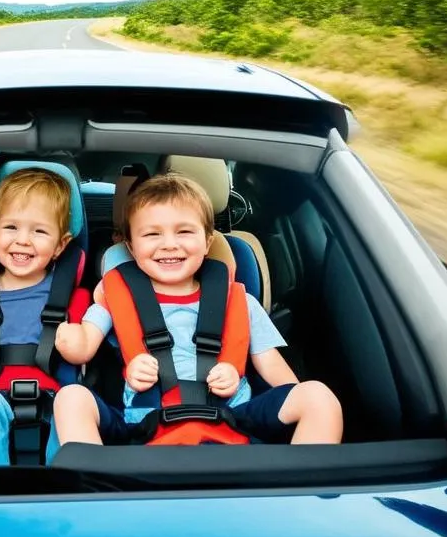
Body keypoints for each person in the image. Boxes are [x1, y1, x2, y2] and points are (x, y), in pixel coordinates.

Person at [52, 172, 343, 449]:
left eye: (184, 232)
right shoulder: (115, 298)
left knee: (318, 396)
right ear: (131, 245)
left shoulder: (239, 301)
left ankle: (303, 494)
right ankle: (90, 490)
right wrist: (66, 335)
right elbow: (81, 350)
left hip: (235, 418)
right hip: (144, 423)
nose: (169, 245)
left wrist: (282, 396)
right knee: (70, 398)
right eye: (152, 234)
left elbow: (276, 372)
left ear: (207, 242)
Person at [0, 168, 89, 465]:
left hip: (56, 395)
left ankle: (69, 487)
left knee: (73, 406)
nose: (23, 240)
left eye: (39, 231)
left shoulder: (74, 296)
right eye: (11, 228)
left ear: (61, 245)